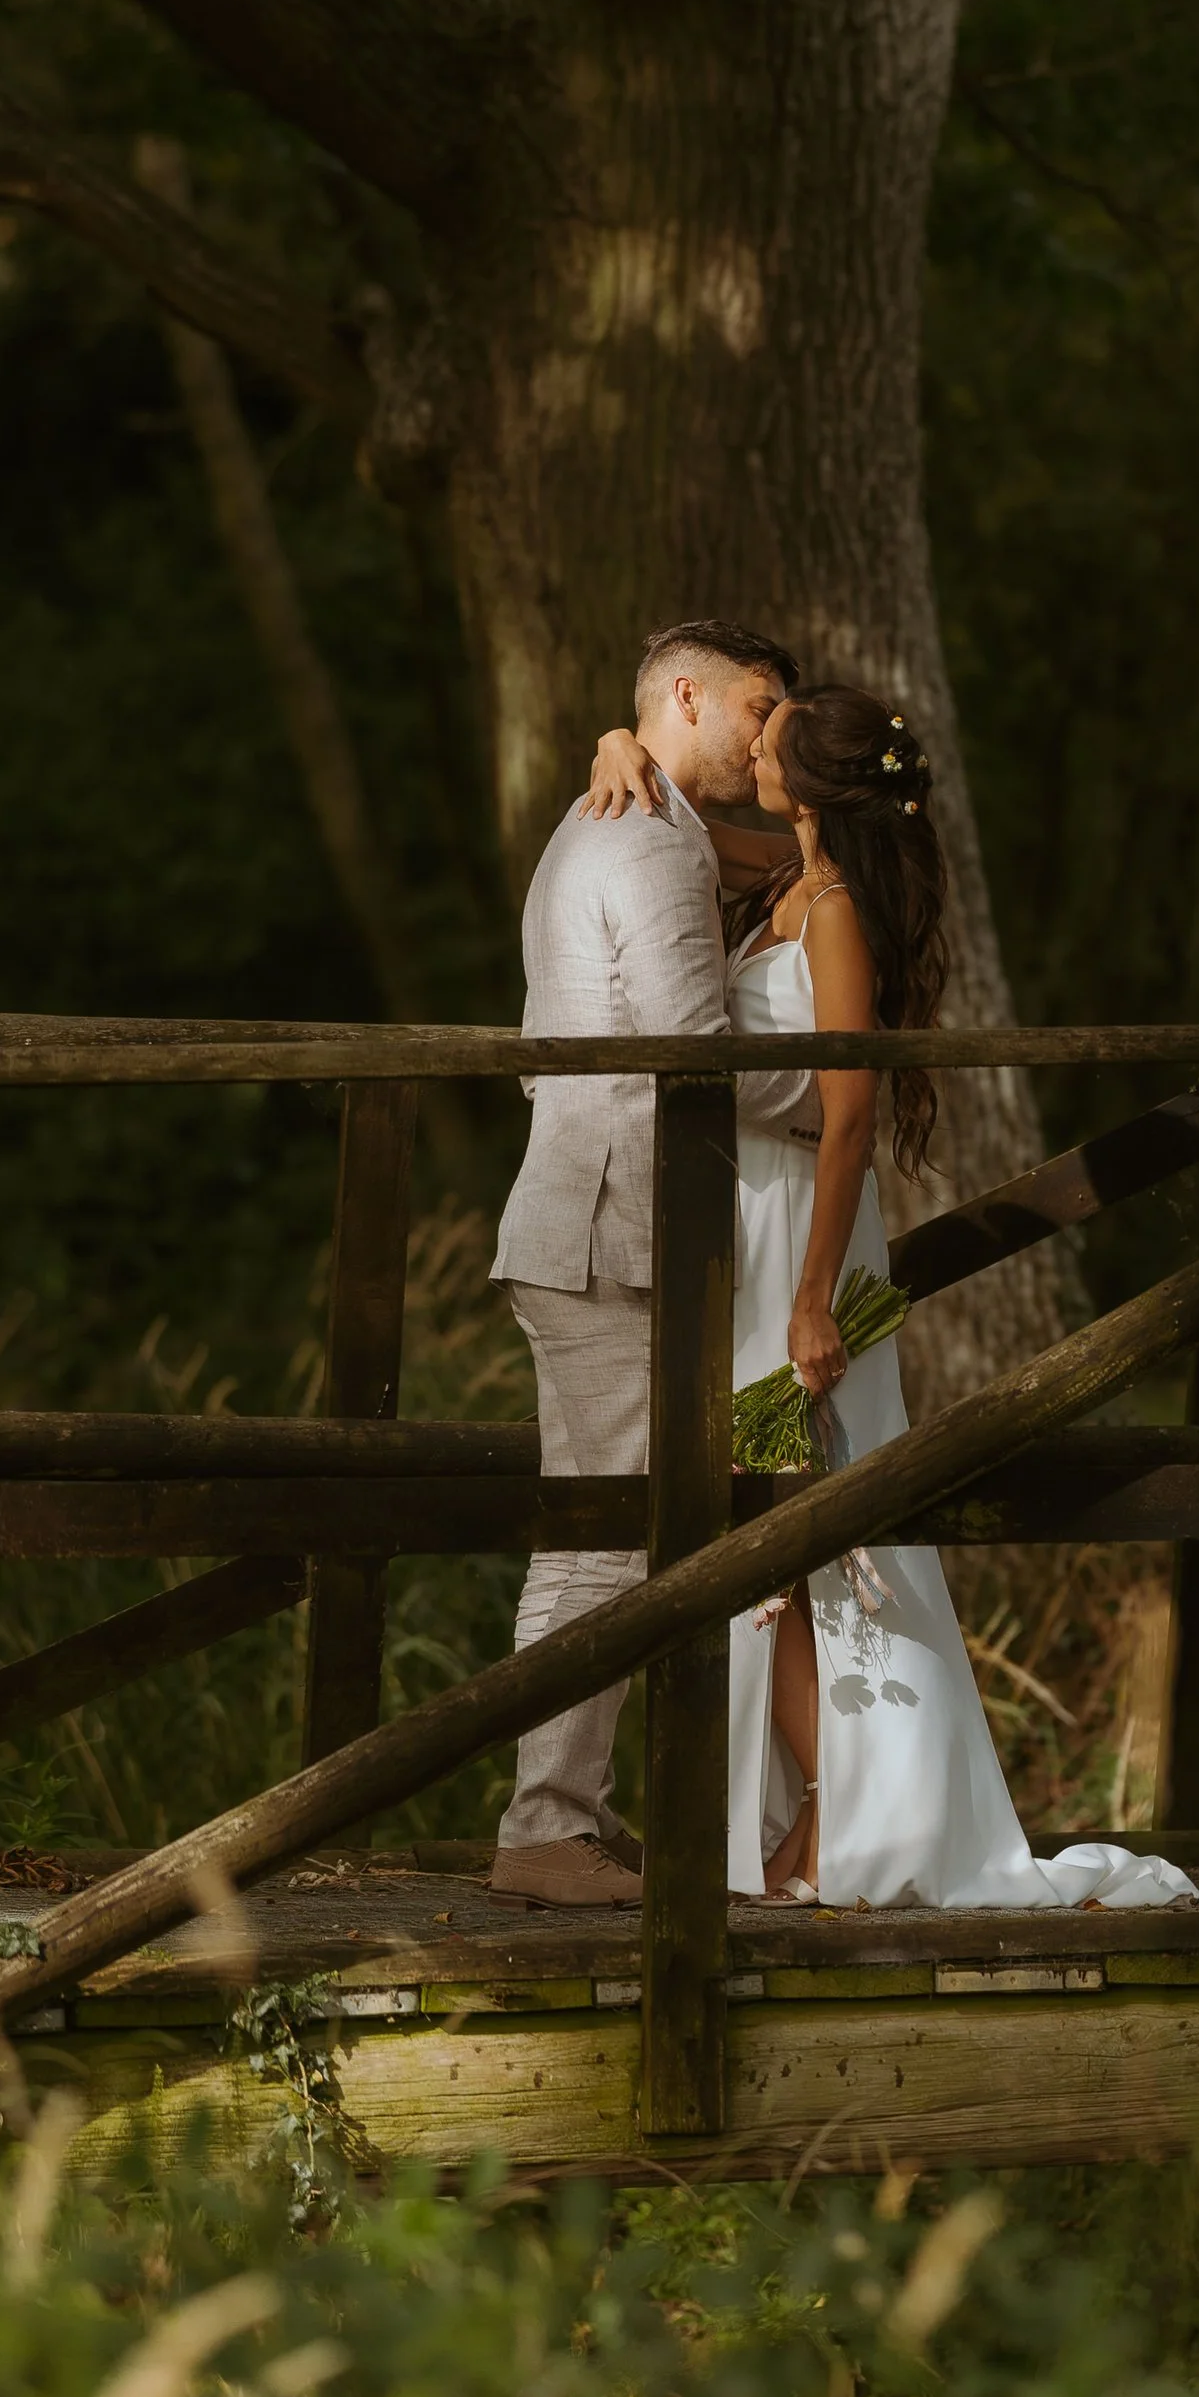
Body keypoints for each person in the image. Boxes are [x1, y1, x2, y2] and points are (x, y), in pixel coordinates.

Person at [589, 685, 1196, 1914]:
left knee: (814, 1530)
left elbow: (851, 1113)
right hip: (751, 1231)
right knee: (764, 1536)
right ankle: (824, 1813)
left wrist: (816, 1299)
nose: (752, 741)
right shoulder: (793, 878)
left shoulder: (836, 915)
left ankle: (858, 1819)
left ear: (808, 785)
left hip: (801, 1232)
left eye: (771, 734)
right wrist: (614, 742)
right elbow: (687, 831)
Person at [487, 618, 814, 1908]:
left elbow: (816, 837)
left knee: (620, 1530)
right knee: (598, 1543)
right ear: (690, 695)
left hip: (598, 1225)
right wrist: (839, 1103)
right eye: (757, 707)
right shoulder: (646, 840)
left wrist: (622, 741)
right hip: (606, 1229)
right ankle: (545, 1828)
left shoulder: (633, 817)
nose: (769, 732)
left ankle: (579, 1815)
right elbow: (695, 1046)